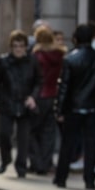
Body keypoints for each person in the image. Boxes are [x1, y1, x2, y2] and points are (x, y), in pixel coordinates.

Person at [54, 23, 95, 190]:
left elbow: (64, 87)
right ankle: (89, 179)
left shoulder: (70, 58)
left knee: (68, 143)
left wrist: (59, 109)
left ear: (75, 38)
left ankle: (61, 177)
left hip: (73, 107)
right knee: (91, 144)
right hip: (93, 107)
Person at [0, 30, 41, 177]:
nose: (18, 49)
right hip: (7, 103)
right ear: (11, 47)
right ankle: (5, 160)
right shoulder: (4, 61)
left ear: (25, 47)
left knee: (23, 138)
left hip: (25, 104)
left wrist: (33, 97)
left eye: (21, 46)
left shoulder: (32, 61)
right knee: (4, 134)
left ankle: (21, 167)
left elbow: (39, 81)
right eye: (15, 46)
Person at [30, 25, 64, 175]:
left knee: (32, 130)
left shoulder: (37, 56)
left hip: (39, 96)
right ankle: (45, 162)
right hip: (53, 95)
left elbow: (34, 78)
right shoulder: (60, 55)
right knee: (48, 131)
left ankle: (37, 163)